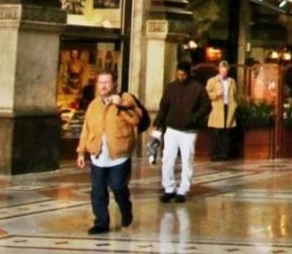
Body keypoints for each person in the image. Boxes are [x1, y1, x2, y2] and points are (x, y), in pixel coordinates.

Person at [76, 70, 144, 234]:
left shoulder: (125, 99)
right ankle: (101, 222)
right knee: (98, 190)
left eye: (106, 82)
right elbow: (86, 129)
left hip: (119, 154)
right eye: (100, 83)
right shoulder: (94, 105)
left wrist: (120, 105)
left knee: (118, 187)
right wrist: (81, 151)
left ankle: (126, 209)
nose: (103, 86)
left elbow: (136, 119)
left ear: (114, 84)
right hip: (98, 154)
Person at [153, 60, 211, 203]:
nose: (180, 77)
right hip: (171, 128)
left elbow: (207, 106)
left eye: (183, 75)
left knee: (187, 160)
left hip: (189, 131)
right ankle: (168, 188)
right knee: (167, 159)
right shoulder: (171, 87)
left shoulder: (198, 88)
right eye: (178, 75)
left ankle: (183, 189)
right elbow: (164, 107)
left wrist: (194, 118)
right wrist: (157, 124)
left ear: (188, 74)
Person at [205, 61, 237, 161]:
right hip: (217, 108)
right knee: (216, 132)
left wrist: (234, 105)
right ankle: (214, 154)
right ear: (219, 69)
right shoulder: (212, 81)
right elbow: (206, 94)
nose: (224, 73)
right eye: (222, 71)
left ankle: (224, 154)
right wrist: (216, 95)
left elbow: (234, 94)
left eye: (225, 71)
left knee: (226, 132)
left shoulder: (231, 81)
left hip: (228, 107)